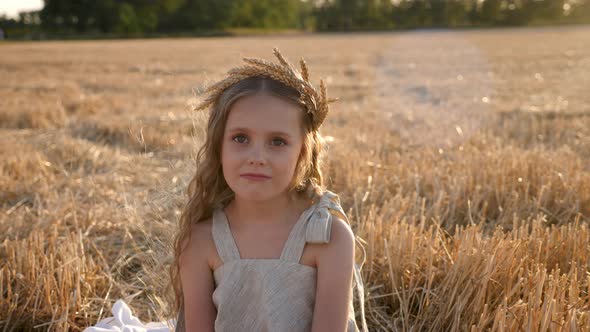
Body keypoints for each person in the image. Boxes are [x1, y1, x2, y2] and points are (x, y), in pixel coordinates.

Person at [171, 48, 369, 332]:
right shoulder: (202, 240)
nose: (257, 156)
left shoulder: (328, 237)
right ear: (219, 147)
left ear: (302, 153)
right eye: (241, 138)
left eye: (277, 142)